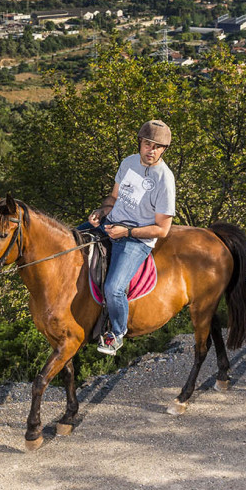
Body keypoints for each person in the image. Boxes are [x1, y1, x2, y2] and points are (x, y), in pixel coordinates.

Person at [87, 120, 177, 356]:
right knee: (70, 241)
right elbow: (113, 197)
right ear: (140, 143)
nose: (152, 150)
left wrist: (126, 232)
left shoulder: (164, 180)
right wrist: (101, 212)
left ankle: (116, 333)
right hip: (111, 223)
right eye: (148, 144)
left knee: (114, 288)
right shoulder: (128, 162)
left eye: (158, 147)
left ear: (164, 149)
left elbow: (162, 230)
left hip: (136, 239)